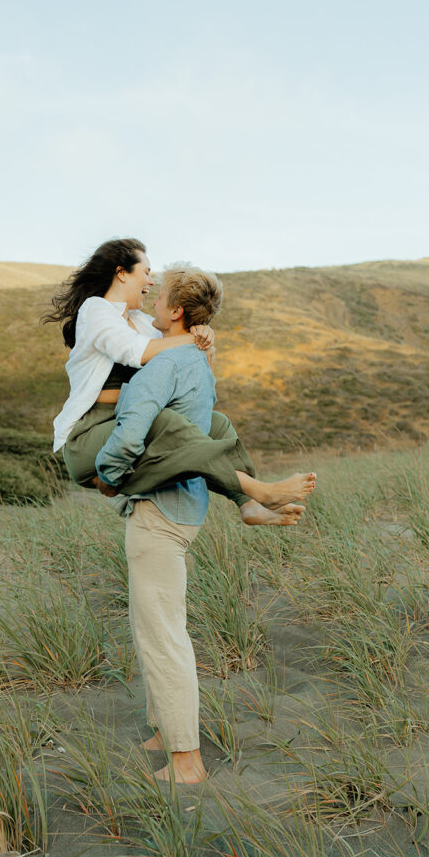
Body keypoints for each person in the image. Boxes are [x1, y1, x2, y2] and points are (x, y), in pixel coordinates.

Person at [95, 266, 302, 783]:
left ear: (177, 311)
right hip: (187, 507)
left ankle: (185, 760)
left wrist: (106, 477)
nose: (153, 304)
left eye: (160, 297)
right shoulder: (199, 362)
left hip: (160, 512)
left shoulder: (162, 368)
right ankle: (165, 730)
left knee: (163, 635)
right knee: (155, 627)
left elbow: (129, 434)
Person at [43, 237, 316, 522]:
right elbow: (136, 352)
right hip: (92, 433)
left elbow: (183, 368)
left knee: (217, 423)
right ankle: (261, 491)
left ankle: (247, 504)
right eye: (146, 272)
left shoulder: (142, 322)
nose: (150, 282)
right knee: (167, 423)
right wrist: (190, 338)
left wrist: (206, 343)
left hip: (129, 424)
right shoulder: (96, 309)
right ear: (122, 272)